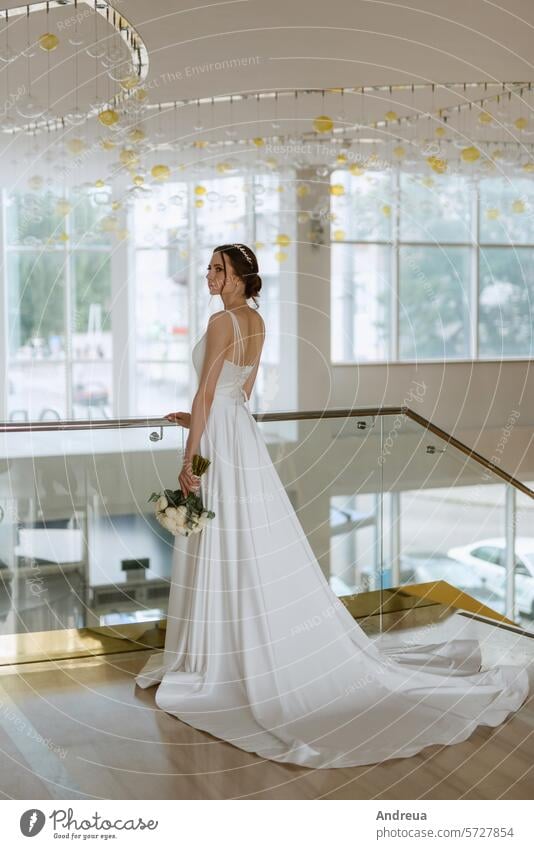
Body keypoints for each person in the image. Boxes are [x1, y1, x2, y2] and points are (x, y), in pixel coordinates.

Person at [135, 243, 530, 769]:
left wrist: (191, 455)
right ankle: (251, 646)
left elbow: (209, 392)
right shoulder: (254, 320)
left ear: (237, 277)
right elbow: (241, 392)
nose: (208, 275)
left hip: (218, 441)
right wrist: (201, 419)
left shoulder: (220, 321)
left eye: (216, 269)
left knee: (224, 538)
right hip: (240, 438)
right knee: (250, 538)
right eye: (209, 268)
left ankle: (220, 658)